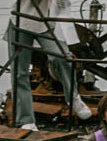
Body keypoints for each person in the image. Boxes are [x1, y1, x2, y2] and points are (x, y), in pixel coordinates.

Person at [8, 0, 91, 131]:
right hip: (22, 19)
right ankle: (26, 120)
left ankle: (73, 97)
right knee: (19, 72)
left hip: (47, 22)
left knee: (63, 58)